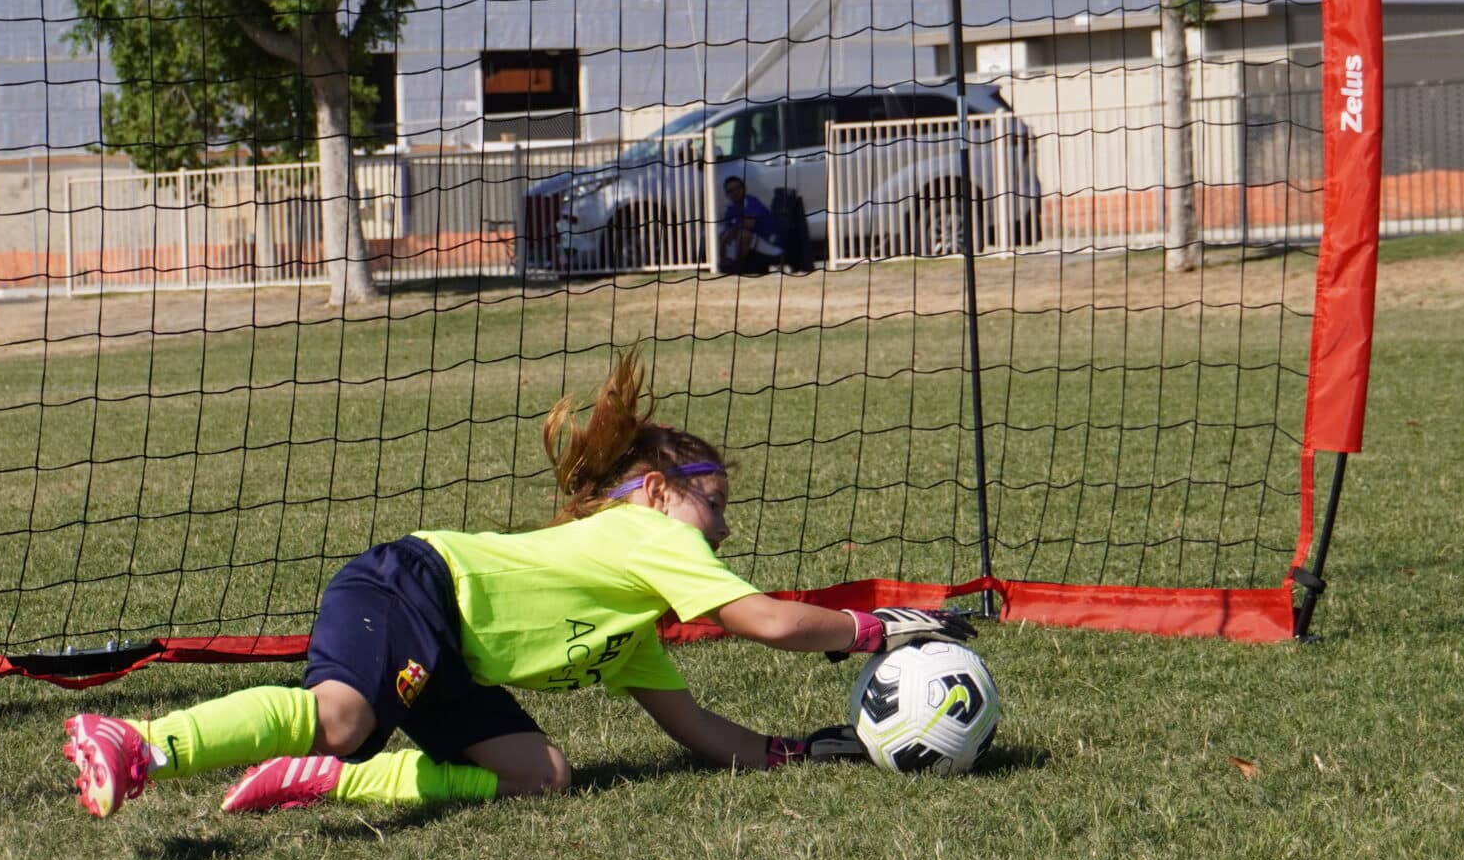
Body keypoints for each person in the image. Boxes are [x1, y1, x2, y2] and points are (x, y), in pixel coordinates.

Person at [61, 352, 974, 816]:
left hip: (454, 658)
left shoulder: (634, 620)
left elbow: (693, 726)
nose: (725, 529)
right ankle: (142, 740)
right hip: (413, 587)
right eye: (715, 506)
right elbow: (768, 620)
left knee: (542, 775)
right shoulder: (648, 537)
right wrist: (877, 627)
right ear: (657, 493)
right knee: (343, 713)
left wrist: (792, 750)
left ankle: (330, 778)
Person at [717, 175, 783, 276]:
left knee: (743, 234)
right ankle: (724, 264)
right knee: (717, 231)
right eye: (730, 191)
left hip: (770, 243)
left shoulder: (752, 202)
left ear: (744, 188)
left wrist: (730, 233)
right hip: (753, 244)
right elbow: (726, 232)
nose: (735, 192)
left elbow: (749, 224)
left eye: (737, 188)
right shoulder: (730, 207)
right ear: (726, 194)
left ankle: (738, 266)